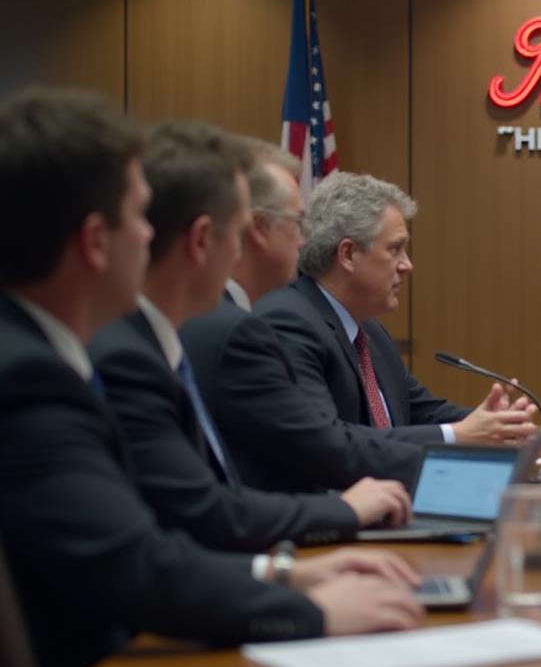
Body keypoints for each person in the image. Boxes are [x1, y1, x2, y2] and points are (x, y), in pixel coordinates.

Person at [0, 89, 421, 667]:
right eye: (138, 218)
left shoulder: (47, 353)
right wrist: (313, 610)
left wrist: (281, 572)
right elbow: (136, 564)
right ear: (95, 241)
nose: (150, 235)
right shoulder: (29, 380)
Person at [89, 122, 413, 550]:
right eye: (296, 223)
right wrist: (336, 522)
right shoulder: (188, 339)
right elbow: (200, 513)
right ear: (206, 237)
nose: (305, 240)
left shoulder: (177, 331)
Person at [181, 141, 426, 493]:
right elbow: (320, 447)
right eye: (297, 223)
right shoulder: (243, 327)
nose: (304, 242)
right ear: (259, 228)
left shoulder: (227, 317)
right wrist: (350, 510)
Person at [256, 171, 537, 444]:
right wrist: (457, 434)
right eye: (395, 249)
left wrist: (495, 423)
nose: (407, 265)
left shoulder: (370, 331)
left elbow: (420, 411)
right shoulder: (289, 322)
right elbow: (327, 439)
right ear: (348, 254)